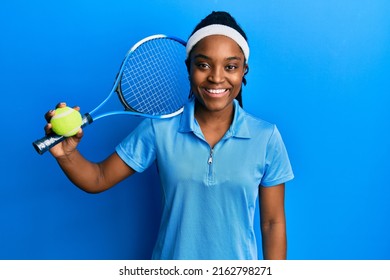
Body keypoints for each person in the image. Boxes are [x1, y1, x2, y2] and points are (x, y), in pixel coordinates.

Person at [44, 11, 294, 260]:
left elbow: (272, 224)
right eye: (203, 64)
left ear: (243, 71)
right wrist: (67, 154)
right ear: (188, 68)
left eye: (230, 66)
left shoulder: (266, 137)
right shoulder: (159, 129)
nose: (216, 77)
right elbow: (98, 178)